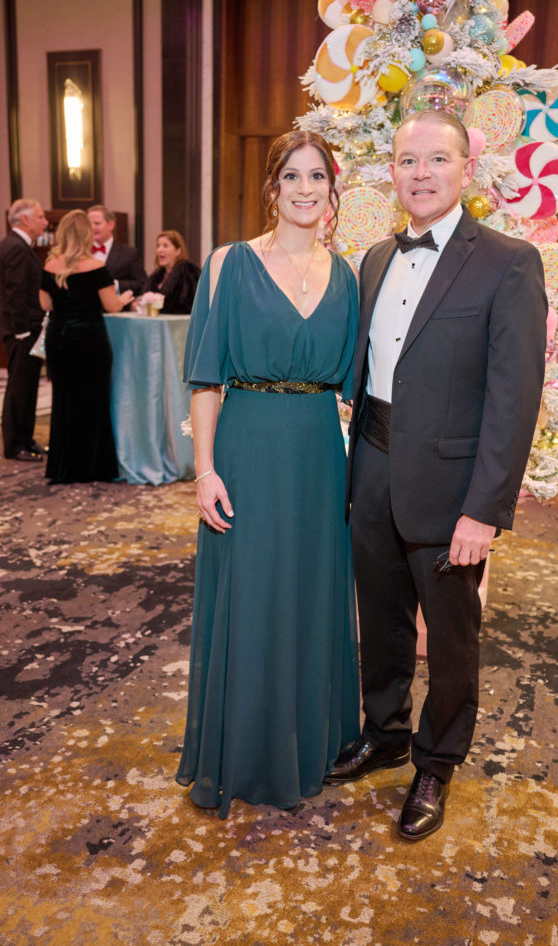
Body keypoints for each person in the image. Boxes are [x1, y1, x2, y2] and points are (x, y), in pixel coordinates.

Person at [324, 111, 548, 841]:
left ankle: (436, 760)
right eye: (405, 160)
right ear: (389, 171)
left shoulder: (508, 261)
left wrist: (483, 510)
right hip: (375, 466)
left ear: (463, 170)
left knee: (451, 637)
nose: (418, 173)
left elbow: (513, 399)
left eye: (434, 159)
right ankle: (383, 732)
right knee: (381, 622)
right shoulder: (375, 258)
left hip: (452, 489)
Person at [175, 130, 360, 817]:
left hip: (317, 455)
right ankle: (244, 750)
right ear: (272, 188)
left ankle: (306, 743)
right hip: (247, 449)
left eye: (317, 177)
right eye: (292, 176)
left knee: (309, 596)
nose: (305, 189)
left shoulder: (346, 276)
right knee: (249, 595)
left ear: (331, 190)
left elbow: (358, 386)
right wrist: (204, 471)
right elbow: (204, 378)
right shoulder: (230, 264)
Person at [39, 209, 133, 483]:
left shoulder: (50, 265)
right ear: (85, 234)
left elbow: (45, 305)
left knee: (64, 401)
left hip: (60, 337)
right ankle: (94, 467)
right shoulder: (95, 267)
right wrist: (124, 298)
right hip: (89, 339)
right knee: (93, 401)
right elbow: (111, 306)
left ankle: (63, 467)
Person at [0, 198, 48, 461]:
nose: (45, 222)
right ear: (25, 219)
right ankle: (15, 444)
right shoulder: (16, 247)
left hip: (26, 329)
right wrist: (21, 331)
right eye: (40, 217)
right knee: (19, 388)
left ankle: (25, 440)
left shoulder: (18, 245)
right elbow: (14, 293)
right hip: (23, 331)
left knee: (27, 387)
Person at [87, 204, 145, 298]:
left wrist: (116, 285)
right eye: (89, 224)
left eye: (97, 223)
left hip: (118, 310)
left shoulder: (129, 253)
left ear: (111, 225)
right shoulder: (81, 252)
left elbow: (142, 284)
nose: (92, 228)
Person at [141, 230, 200, 314]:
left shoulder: (190, 274)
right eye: (158, 246)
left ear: (178, 251)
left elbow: (189, 305)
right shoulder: (155, 277)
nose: (159, 250)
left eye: (165, 246)